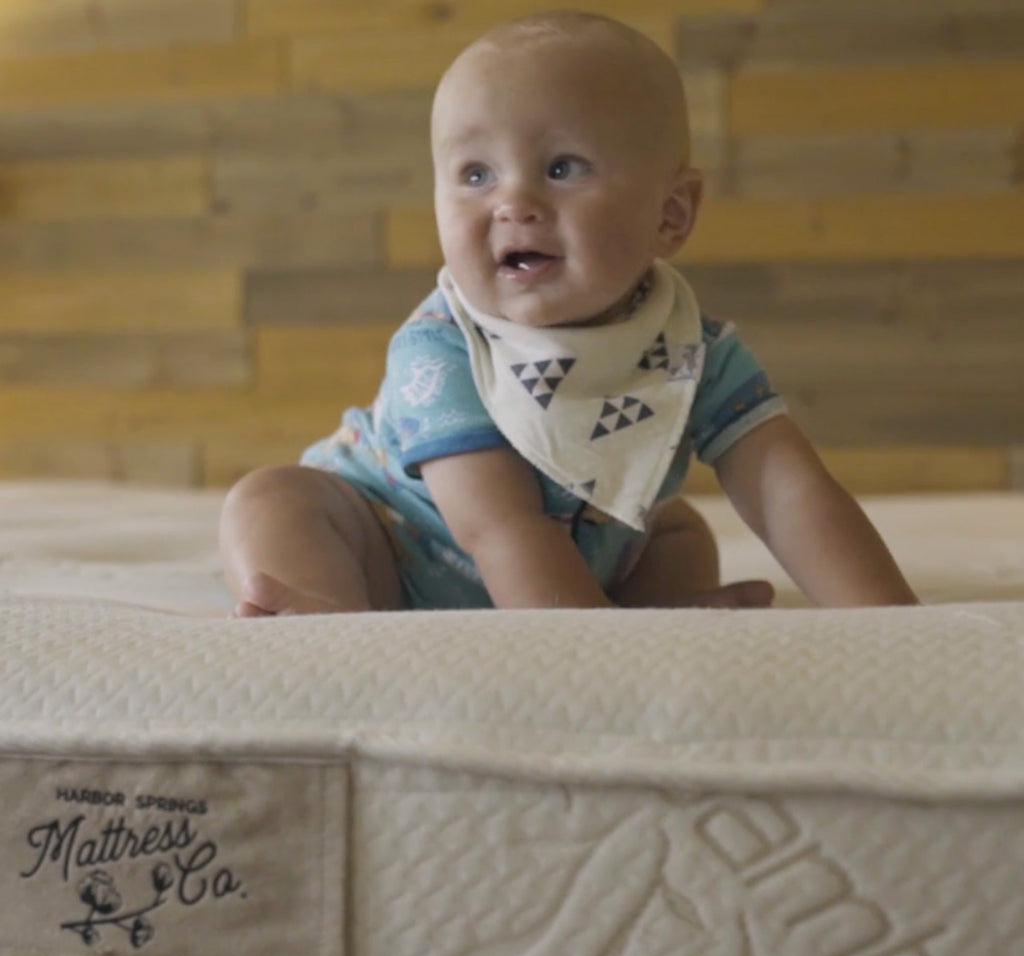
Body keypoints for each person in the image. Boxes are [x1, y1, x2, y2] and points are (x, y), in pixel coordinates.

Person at [218, 10, 918, 615]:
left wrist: (889, 626)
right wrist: (589, 646)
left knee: (675, 533)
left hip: (567, 567)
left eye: (561, 168)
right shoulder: (443, 349)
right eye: (475, 174)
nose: (512, 202)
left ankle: (636, 613)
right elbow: (497, 525)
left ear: (670, 215)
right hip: (393, 552)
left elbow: (787, 493)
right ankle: (331, 619)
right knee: (274, 501)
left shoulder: (690, 352)